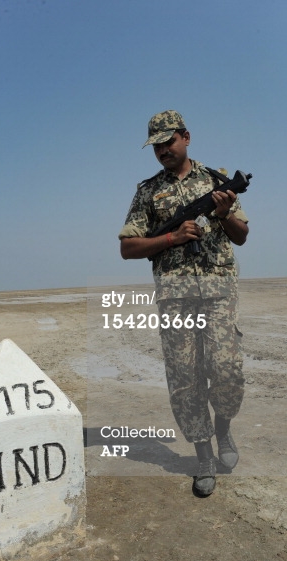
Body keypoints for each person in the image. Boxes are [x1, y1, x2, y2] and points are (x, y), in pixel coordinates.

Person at [119, 110, 249, 496]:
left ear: (186, 137)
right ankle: (204, 457)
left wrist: (224, 215)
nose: (162, 150)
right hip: (175, 299)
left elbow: (241, 236)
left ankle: (223, 428)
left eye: (168, 141)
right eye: (156, 145)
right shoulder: (147, 191)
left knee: (227, 370)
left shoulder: (215, 180)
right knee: (185, 380)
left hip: (218, 292)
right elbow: (128, 247)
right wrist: (170, 239)